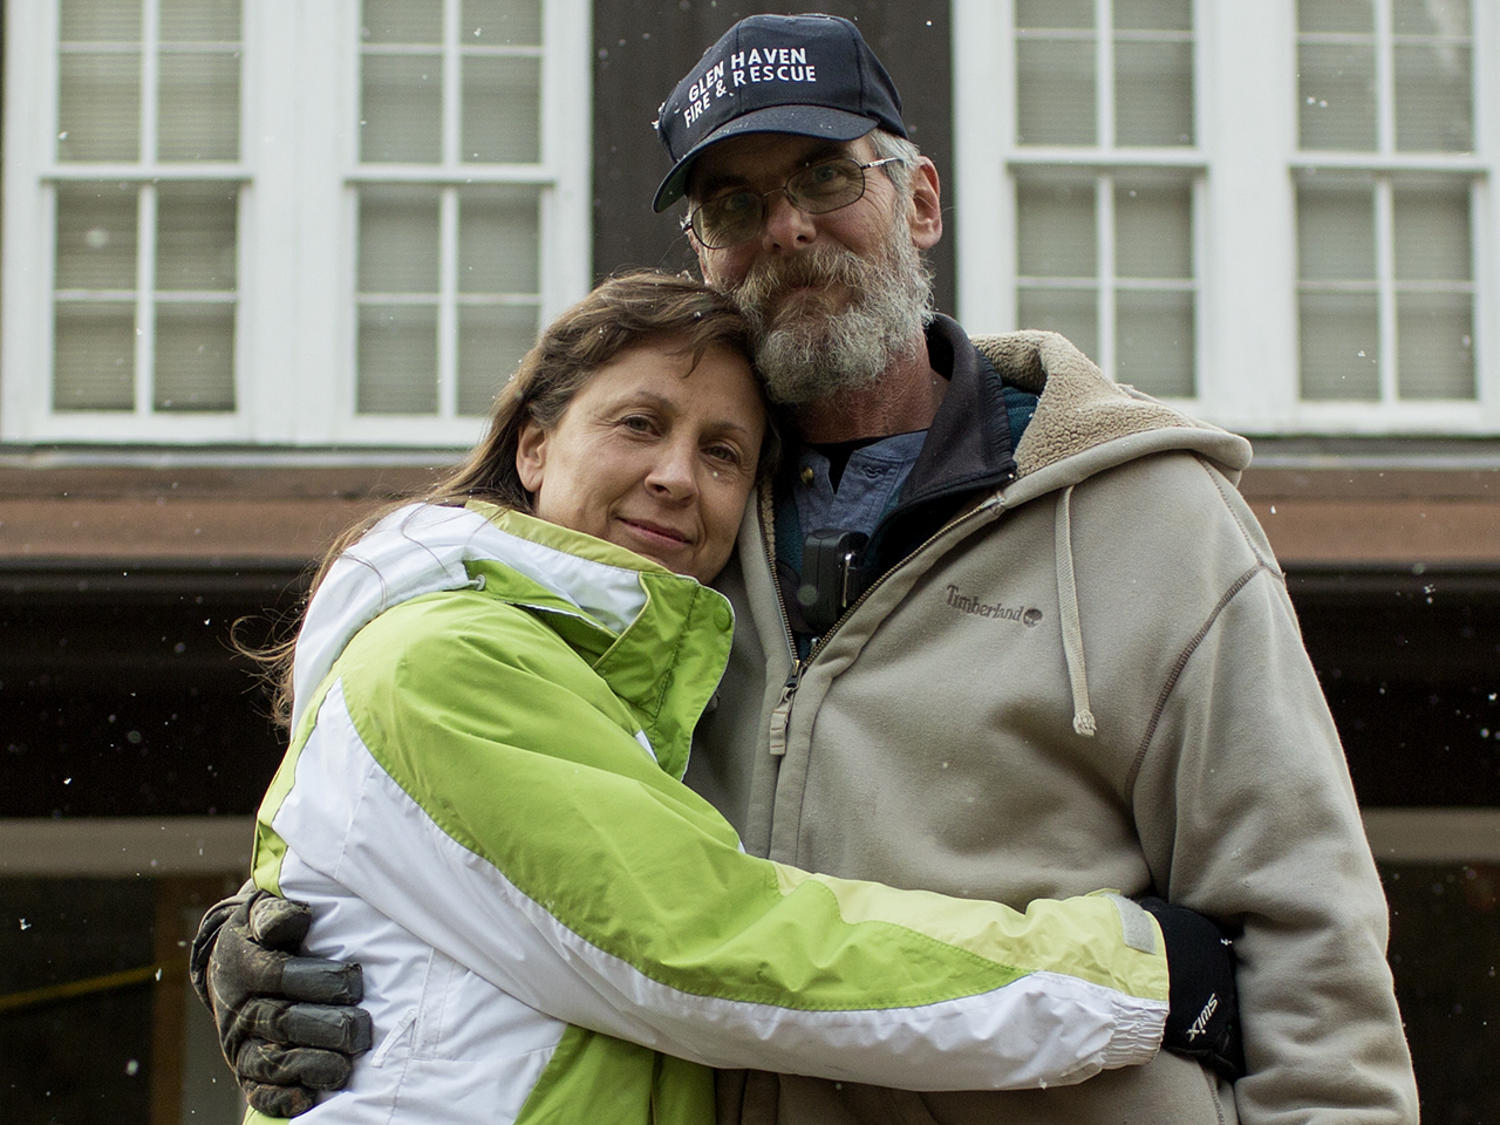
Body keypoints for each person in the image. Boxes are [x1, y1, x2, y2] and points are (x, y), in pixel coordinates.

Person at [197, 11, 1418, 1123]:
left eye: (829, 176)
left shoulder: (1152, 518)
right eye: (732, 204)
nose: (786, 227)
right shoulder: (653, 555)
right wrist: (279, 933)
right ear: (702, 250)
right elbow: (507, 839)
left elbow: (1305, 931)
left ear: (921, 199)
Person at [200, 269, 1228, 1123]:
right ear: (533, 446)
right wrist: (1125, 972)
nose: (677, 477)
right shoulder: (451, 658)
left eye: (722, 453)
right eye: (638, 425)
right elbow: (705, 951)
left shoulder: (612, 680)